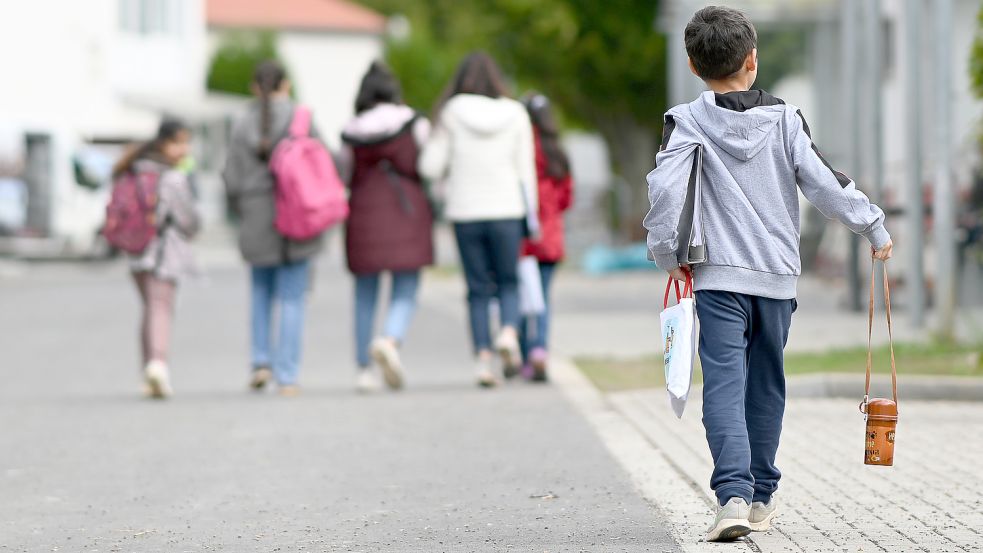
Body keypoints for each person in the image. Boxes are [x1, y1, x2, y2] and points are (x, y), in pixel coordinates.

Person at [643, 6, 894, 542]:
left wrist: (670, 254)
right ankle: (760, 494)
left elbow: (664, 193)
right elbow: (826, 185)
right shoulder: (785, 120)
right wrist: (873, 226)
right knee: (767, 386)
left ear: (692, 64)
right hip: (776, 280)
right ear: (753, 59)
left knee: (725, 387)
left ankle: (731, 495)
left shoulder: (685, 121)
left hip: (716, 282)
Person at [419, 52, 537, 388]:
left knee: (477, 289)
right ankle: (510, 334)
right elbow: (525, 170)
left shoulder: (452, 112)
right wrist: (532, 214)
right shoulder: (515, 113)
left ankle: (483, 360)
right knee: (509, 282)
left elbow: (429, 167)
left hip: (466, 211)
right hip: (507, 209)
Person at [223, 60, 323, 397]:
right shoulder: (302, 118)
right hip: (299, 215)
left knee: (260, 292)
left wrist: (242, 210)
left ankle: (260, 362)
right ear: (287, 86)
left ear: (254, 87)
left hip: (255, 214)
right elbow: (325, 164)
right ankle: (288, 375)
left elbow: (231, 177)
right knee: (293, 298)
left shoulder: (240, 123)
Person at [340, 62, 434, 393]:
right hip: (406, 211)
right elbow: (428, 165)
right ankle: (391, 339)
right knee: (406, 288)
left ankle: (363, 369)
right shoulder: (414, 122)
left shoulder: (352, 129)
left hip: (364, 214)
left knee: (365, 294)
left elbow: (345, 173)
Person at [113, 118, 200, 399]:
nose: (184, 149)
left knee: (149, 308)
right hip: (163, 252)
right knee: (161, 307)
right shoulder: (171, 176)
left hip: (135, 250)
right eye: (180, 142)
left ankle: (147, 369)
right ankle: (158, 365)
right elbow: (188, 220)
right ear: (165, 143)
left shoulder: (132, 169)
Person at [518, 94, 573, 382]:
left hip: (523, 239)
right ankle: (540, 350)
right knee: (542, 299)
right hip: (550, 239)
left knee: (521, 297)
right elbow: (566, 198)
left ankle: (523, 356)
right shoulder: (557, 152)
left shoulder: (519, 149)